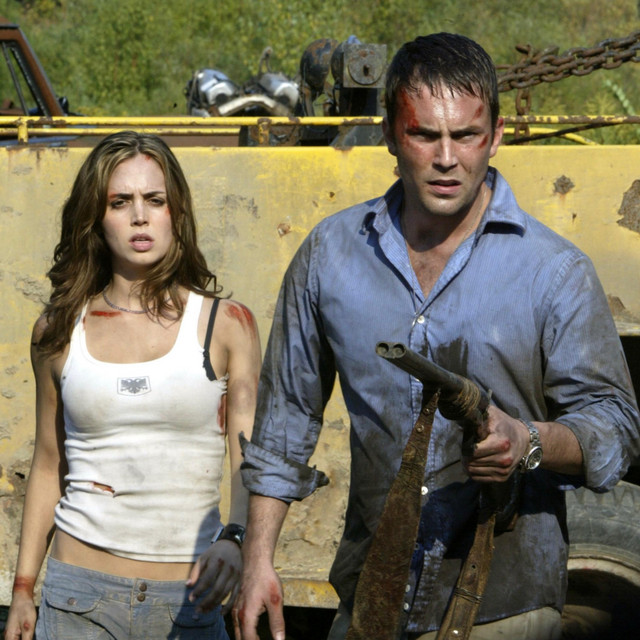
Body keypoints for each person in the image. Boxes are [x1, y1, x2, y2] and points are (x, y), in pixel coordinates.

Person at [235, 33, 640, 640]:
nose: (447, 158)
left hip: (505, 606)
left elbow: (615, 425)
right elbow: (285, 422)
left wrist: (526, 440)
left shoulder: (554, 272)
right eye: (425, 135)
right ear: (391, 136)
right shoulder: (330, 255)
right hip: (373, 598)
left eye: (466, 135)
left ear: (495, 136)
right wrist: (257, 559)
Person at [4, 131, 262, 640]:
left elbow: (249, 457)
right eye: (120, 202)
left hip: (190, 600)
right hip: (78, 599)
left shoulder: (227, 325)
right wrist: (22, 589)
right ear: (96, 219)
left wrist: (237, 539)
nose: (140, 216)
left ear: (176, 212)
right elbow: (49, 462)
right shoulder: (58, 331)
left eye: (155, 200)